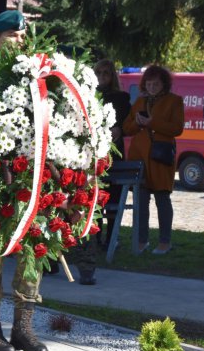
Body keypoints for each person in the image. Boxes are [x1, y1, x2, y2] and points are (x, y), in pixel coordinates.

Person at [0, 10, 48, 351]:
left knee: (32, 252)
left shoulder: (39, 79)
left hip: (32, 182)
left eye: (22, 35)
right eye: (12, 35)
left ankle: (23, 328)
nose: (19, 41)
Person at [71, 59, 131, 285]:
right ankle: (93, 237)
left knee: (111, 196)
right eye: (99, 72)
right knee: (93, 201)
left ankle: (110, 239)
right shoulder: (87, 95)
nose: (103, 75)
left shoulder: (121, 98)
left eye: (107, 72)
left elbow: (121, 125)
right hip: (88, 156)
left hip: (110, 154)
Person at [123, 65, 184, 255]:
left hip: (160, 156)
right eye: (149, 83)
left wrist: (152, 123)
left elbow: (177, 128)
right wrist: (138, 123)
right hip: (139, 156)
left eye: (156, 83)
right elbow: (127, 127)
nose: (152, 87)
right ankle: (142, 240)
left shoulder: (175, 101)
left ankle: (165, 241)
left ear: (164, 83)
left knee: (162, 198)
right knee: (141, 200)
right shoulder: (140, 101)